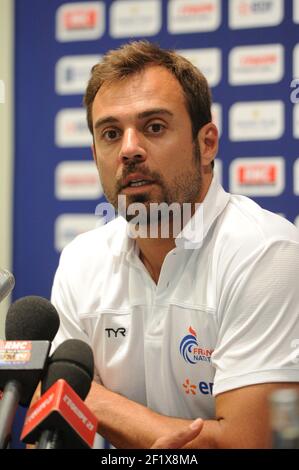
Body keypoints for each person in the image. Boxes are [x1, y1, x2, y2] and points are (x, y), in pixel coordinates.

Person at [51, 40, 299, 449]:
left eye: (154, 127)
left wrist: (91, 398)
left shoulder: (266, 253)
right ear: (96, 154)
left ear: (207, 144)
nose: (129, 149)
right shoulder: (82, 261)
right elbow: (56, 423)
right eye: (111, 133)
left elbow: (248, 443)